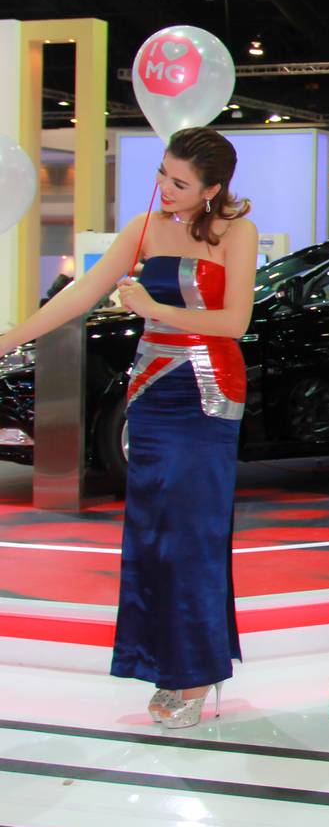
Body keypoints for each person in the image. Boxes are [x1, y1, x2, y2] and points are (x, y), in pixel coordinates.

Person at [2, 128, 256, 728]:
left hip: (207, 397)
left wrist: (154, 308)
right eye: (163, 174)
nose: (165, 189)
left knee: (194, 534)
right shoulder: (142, 229)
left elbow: (236, 320)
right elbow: (82, 294)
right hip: (151, 398)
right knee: (151, 535)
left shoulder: (237, 234)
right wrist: (10, 337)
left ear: (213, 189)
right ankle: (165, 663)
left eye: (180, 182)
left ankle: (195, 672)